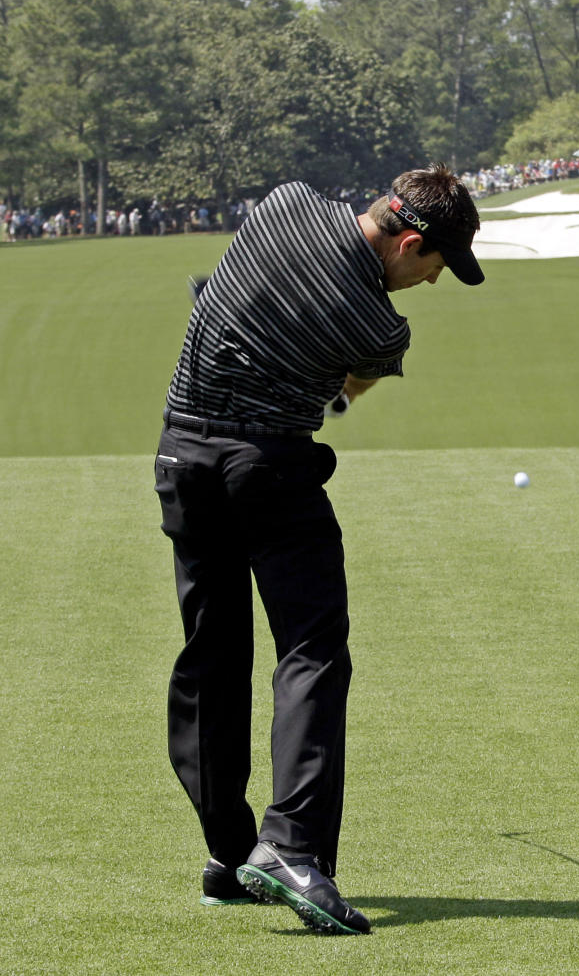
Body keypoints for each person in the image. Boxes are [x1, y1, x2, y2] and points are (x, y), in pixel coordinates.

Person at [154, 165, 484, 935]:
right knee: (311, 651)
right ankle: (291, 848)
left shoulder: (282, 204)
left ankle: (230, 852)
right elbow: (346, 387)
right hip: (268, 471)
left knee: (212, 656)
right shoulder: (380, 326)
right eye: (435, 266)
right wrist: (336, 387)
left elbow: (230, 295)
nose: (431, 282)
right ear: (408, 242)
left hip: (181, 457)